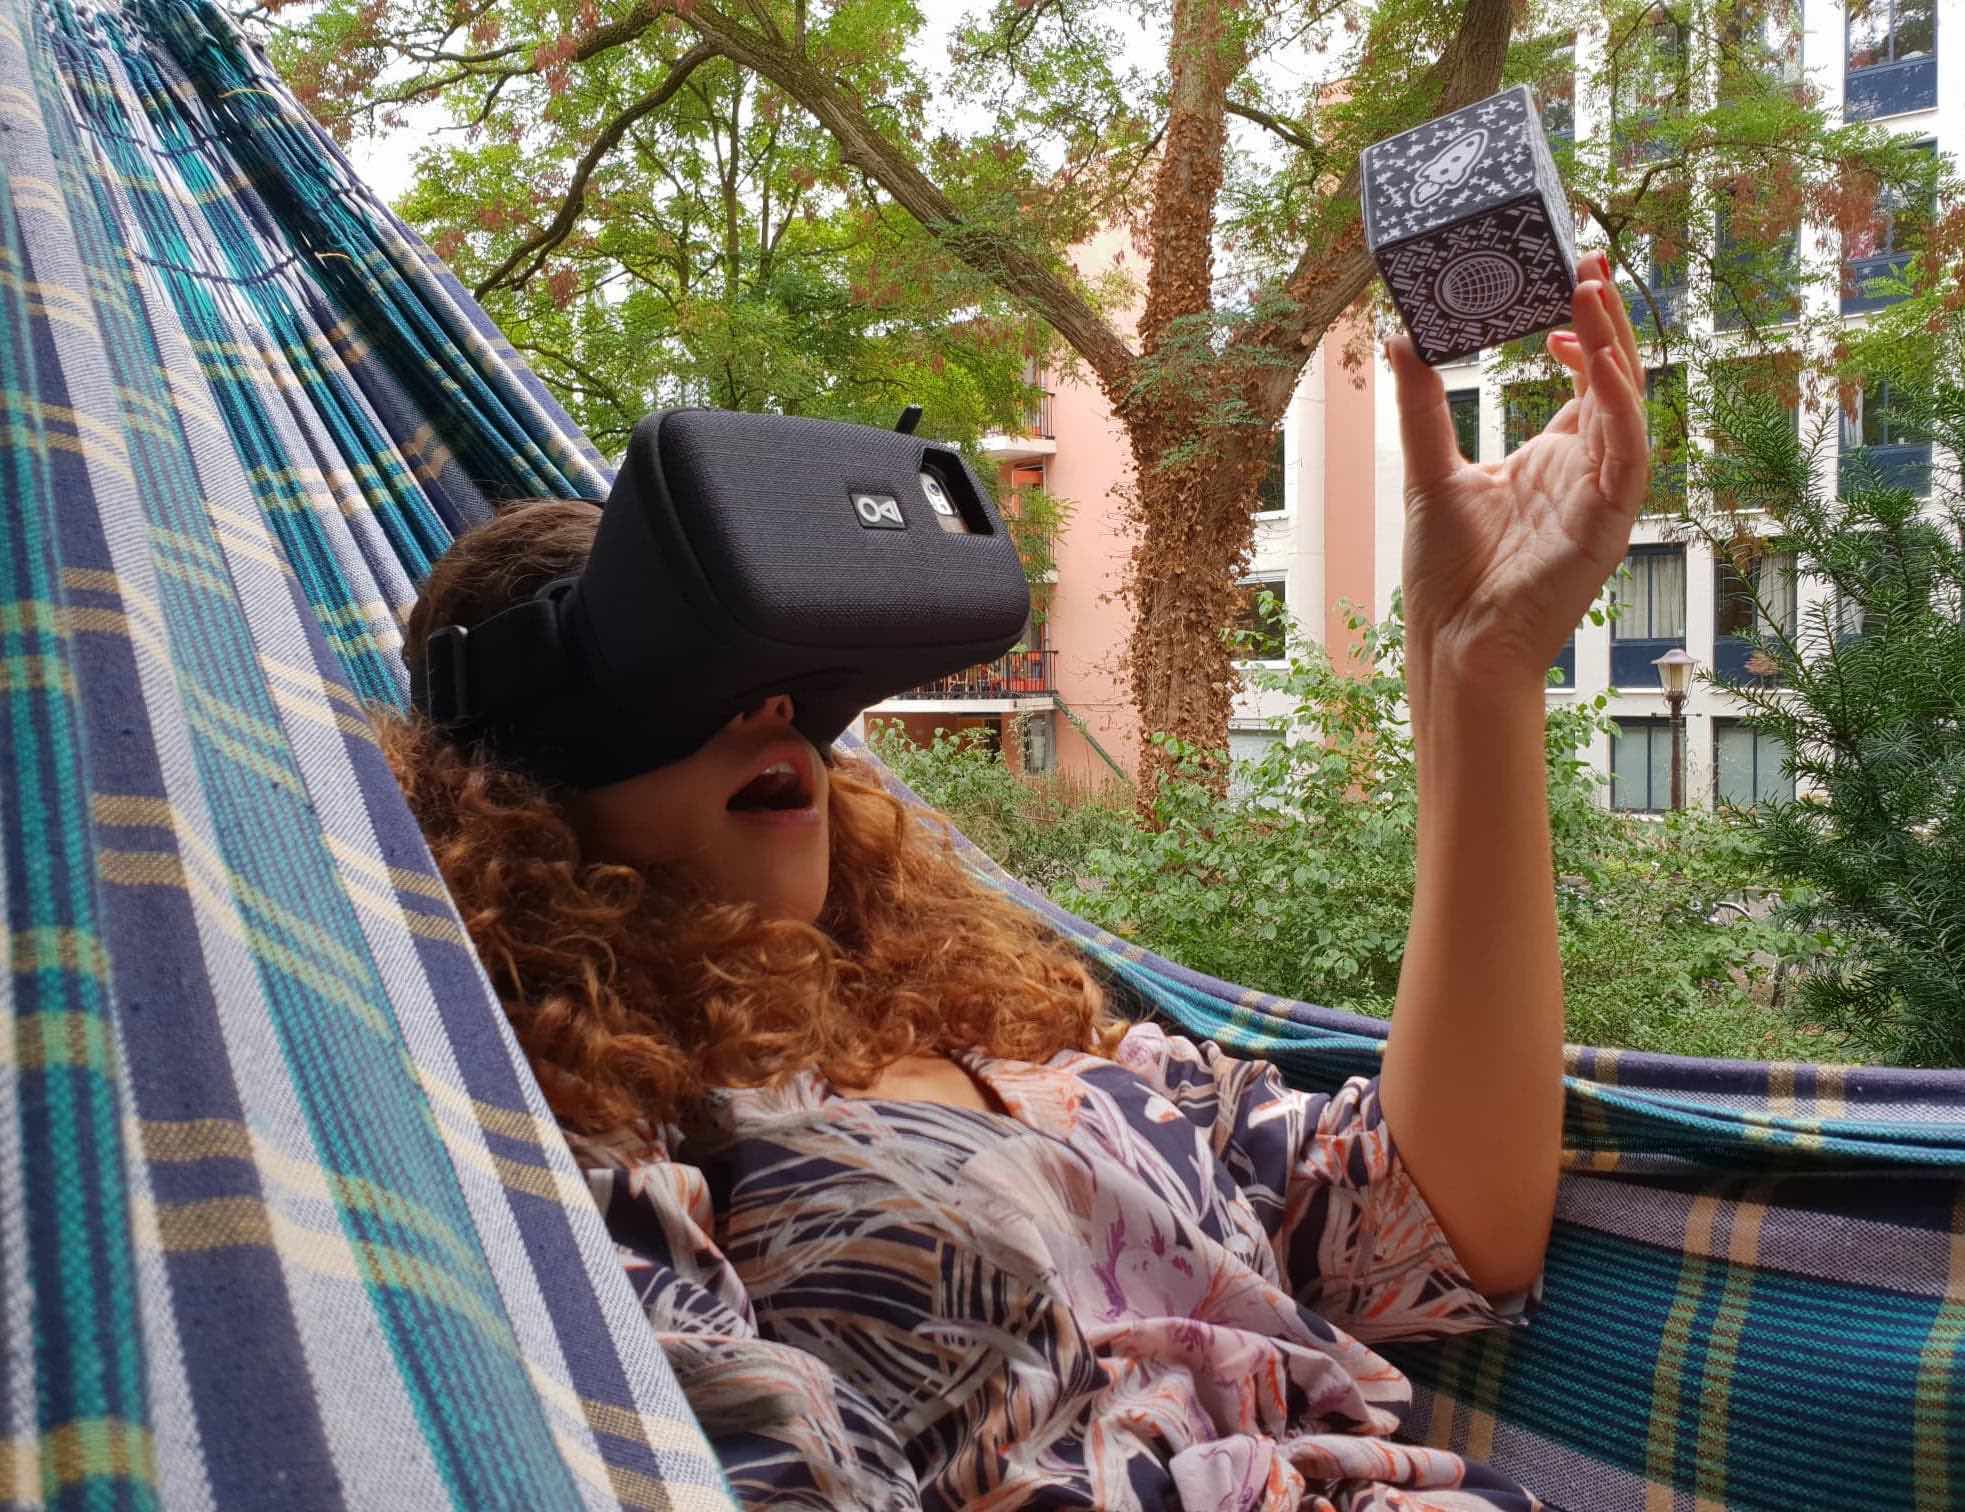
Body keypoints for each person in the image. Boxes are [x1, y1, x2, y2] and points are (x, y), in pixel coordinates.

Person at [380, 259, 1648, 1510]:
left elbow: (1447, 1228)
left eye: (788, 675)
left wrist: (1479, 670)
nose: (767, 710)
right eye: (674, 675)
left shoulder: (1032, 1037)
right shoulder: (597, 1144)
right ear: (512, 792)